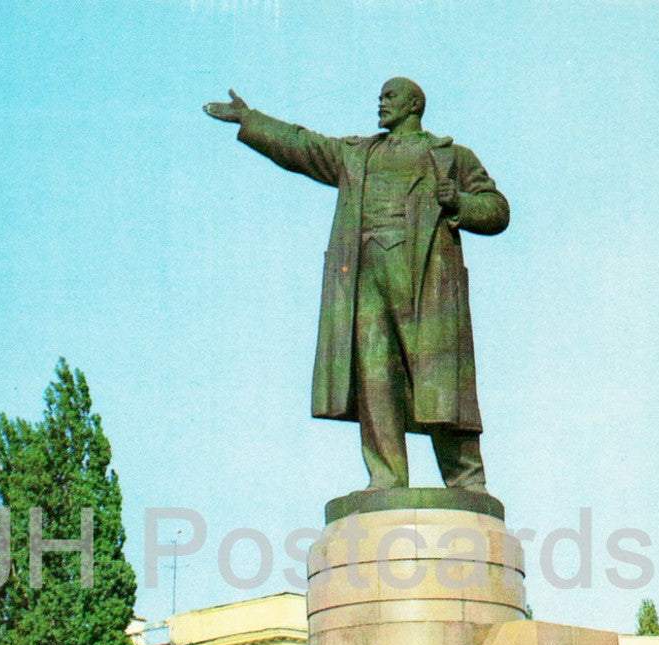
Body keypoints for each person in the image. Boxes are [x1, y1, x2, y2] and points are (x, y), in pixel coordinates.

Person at [203, 78, 509, 492]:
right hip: (365, 276)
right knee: (375, 376)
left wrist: (459, 203)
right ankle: (386, 477)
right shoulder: (357, 154)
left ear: (415, 103)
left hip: (425, 279)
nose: (380, 103)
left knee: (438, 380)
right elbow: (302, 145)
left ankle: (467, 483)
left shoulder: (451, 156)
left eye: (390, 97)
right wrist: (251, 119)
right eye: (380, 97)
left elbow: (496, 209)